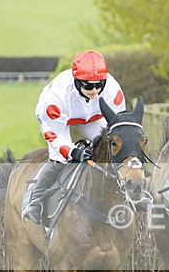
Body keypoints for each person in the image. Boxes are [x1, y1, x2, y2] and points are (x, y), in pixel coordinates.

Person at [22, 50, 127, 224]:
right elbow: (54, 136)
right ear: (76, 81)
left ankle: (132, 193)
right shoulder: (55, 97)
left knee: (112, 147)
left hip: (93, 116)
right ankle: (35, 200)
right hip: (59, 118)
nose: (94, 90)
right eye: (88, 86)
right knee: (60, 158)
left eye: (99, 85)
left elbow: (118, 126)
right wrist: (74, 152)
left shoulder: (112, 89)